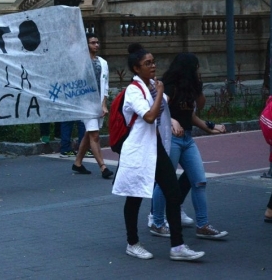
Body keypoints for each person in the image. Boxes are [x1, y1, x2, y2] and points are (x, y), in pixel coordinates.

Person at [112, 43, 205, 261]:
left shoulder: (153, 86)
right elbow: (150, 116)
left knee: (172, 194)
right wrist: (160, 92)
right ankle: (132, 243)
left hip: (155, 148)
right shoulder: (134, 91)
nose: (153, 66)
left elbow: (164, 114)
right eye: (147, 63)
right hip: (137, 150)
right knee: (134, 197)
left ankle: (178, 246)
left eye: (153, 62)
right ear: (137, 68)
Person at [150, 53, 228, 240]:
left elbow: (196, 110)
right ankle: (157, 222)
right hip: (172, 139)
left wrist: (209, 127)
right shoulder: (170, 87)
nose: (198, 71)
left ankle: (203, 225)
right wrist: (172, 121)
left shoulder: (189, 88)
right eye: (196, 68)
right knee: (165, 181)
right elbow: (159, 110)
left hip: (187, 139)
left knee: (199, 180)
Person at [72, 33, 113, 179]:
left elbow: (106, 85)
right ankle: (103, 167)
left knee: (89, 133)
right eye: (92, 43)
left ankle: (77, 163)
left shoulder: (103, 62)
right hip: (85, 102)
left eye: (97, 42)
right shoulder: (80, 62)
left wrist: (104, 104)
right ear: (86, 45)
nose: (96, 45)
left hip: (98, 102)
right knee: (94, 135)